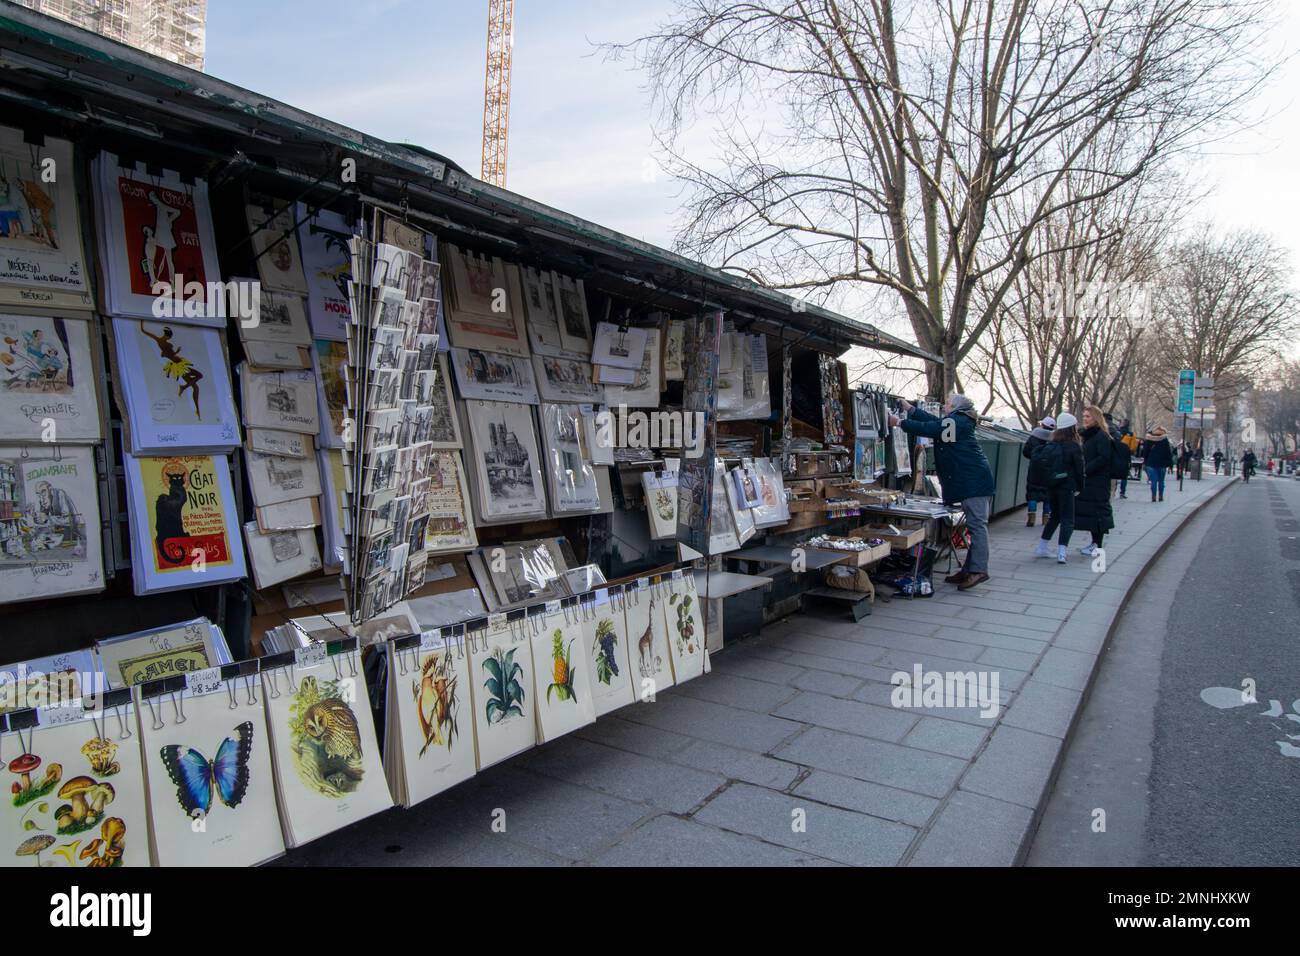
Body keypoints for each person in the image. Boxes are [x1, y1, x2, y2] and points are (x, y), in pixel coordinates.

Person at [889, 394, 996, 591]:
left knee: (977, 527)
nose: (944, 406)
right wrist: (911, 410)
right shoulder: (958, 421)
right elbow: (935, 423)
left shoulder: (958, 422)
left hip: (974, 484)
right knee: (975, 526)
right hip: (971, 483)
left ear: (956, 407)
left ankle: (978, 570)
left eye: (947, 403)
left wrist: (899, 423)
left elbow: (932, 428)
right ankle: (969, 570)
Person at [1032, 414, 1086, 563]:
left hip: (1052, 486)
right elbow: (1079, 469)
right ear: (1072, 428)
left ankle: (1042, 546)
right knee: (1068, 519)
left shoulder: (1052, 443)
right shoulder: (1074, 446)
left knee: (1054, 516)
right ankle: (1062, 552)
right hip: (1067, 486)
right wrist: (1080, 487)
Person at [1076, 405, 1115, 556]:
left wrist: (1086, 469)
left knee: (1098, 512)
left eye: (1088, 416)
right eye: (1084, 416)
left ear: (1096, 418)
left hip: (1098, 481)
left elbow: (1103, 458)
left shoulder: (1101, 435)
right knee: (1093, 513)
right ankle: (1094, 544)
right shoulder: (1091, 435)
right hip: (1092, 480)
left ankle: (1097, 546)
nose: (1085, 419)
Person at [1022, 416, 1055, 527]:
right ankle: (1046, 519)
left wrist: (1034, 457)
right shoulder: (1054, 439)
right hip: (1049, 470)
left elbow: (1026, 451)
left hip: (1035, 470)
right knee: (1048, 495)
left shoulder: (1033, 437)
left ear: (1042, 425)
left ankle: (1031, 518)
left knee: (1032, 493)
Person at [1141, 425, 1173, 502]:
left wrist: (1145, 461)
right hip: (1162, 464)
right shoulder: (1164, 440)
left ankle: (1154, 496)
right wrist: (1170, 464)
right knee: (1161, 481)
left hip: (1151, 463)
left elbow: (1145, 452)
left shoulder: (1149, 440)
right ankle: (1161, 496)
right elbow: (1168, 453)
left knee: (1153, 481)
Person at [1118, 419, 1138, 498]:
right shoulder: (1131, 434)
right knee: (1124, 475)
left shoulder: (1116, 432)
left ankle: (1112, 490)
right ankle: (1122, 492)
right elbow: (1133, 447)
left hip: (1115, 455)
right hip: (1125, 456)